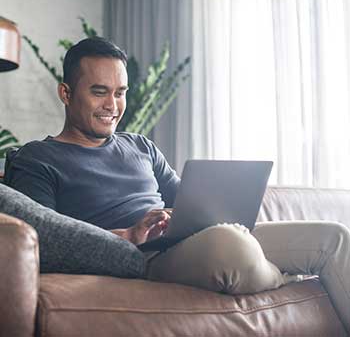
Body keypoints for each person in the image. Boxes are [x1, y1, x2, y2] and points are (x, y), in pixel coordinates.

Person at [5, 37, 350, 332]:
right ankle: (285, 276)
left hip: (193, 242)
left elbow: (192, 205)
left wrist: (197, 212)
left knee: (333, 237)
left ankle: (265, 267)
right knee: (231, 245)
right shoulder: (37, 160)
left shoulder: (141, 146)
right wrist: (127, 234)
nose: (113, 105)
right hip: (144, 257)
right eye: (99, 92)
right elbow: (43, 242)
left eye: (120, 93)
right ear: (66, 93)